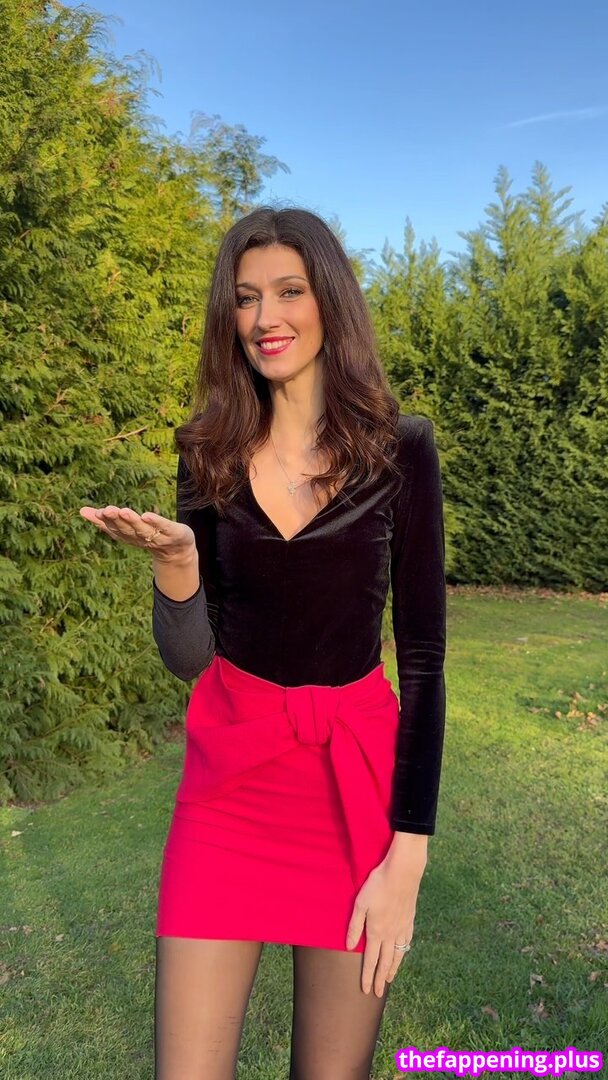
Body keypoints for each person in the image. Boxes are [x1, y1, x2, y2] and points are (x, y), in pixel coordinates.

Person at [79, 206, 447, 1080]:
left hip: (354, 793)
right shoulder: (206, 453)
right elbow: (191, 658)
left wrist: (408, 855)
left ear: (330, 302)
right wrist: (177, 565)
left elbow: (424, 661)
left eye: (288, 291)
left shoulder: (401, 451)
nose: (265, 317)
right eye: (245, 298)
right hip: (228, 790)